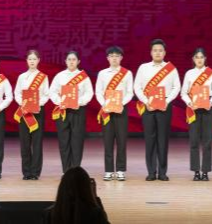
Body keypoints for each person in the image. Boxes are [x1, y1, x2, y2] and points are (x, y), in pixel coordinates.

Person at [133, 39, 181, 181]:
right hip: (148, 105)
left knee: (163, 139)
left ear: (164, 52)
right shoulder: (143, 68)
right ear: (151, 52)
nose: (158, 53)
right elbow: (137, 87)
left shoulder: (171, 68)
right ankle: (151, 172)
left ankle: (162, 172)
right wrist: (146, 101)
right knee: (150, 139)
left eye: (160, 50)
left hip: (165, 105)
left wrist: (167, 101)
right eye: (155, 50)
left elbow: (176, 87)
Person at [49, 51, 94, 173]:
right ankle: (66, 170)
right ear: (65, 61)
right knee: (64, 141)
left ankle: (75, 170)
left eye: (74, 59)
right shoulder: (59, 76)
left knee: (77, 141)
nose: (71, 62)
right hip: (63, 111)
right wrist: (60, 101)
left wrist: (78, 102)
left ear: (78, 61)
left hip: (78, 110)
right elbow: (52, 92)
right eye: (69, 59)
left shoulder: (83, 77)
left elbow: (89, 93)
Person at [180, 47, 212, 181]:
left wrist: (211, 102)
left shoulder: (211, 73)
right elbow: (183, 93)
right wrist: (189, 102)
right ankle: (196, 171)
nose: (199, 60)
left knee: (207, 141)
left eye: (201, 57)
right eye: (197, 57)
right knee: (194, 141)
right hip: (193, 109)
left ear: (205, 59)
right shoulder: (189, 73)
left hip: (208, 109)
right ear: (193, 59)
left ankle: (206, 171)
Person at [95, 46, 134, 181]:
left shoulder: (127, 73)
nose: (114, 58)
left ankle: (121, 170)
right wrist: (105, 104)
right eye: (111, 56)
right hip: (106, 110)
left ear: (121, 58)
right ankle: (109, 170)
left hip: (121, 110)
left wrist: (120, 104)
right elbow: (98, 92)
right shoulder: (102, 74)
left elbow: (130, 92)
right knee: (108, 141)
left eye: (117, 56)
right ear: (107, 58)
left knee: (122, 141)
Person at [13, 49, 49, 180]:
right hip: (24, 112)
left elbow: (46, 94)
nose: (32, 61)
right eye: (30, 59)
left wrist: (38, 105)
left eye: (34, 59)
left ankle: (35, 172)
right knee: (25, 143)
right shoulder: (21, 77)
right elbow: (17, 93)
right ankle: (26, 172)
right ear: (26, 61)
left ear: (38, 60)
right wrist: (23, 104)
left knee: (37, 143)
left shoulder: (43, 77)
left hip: (37, 112)